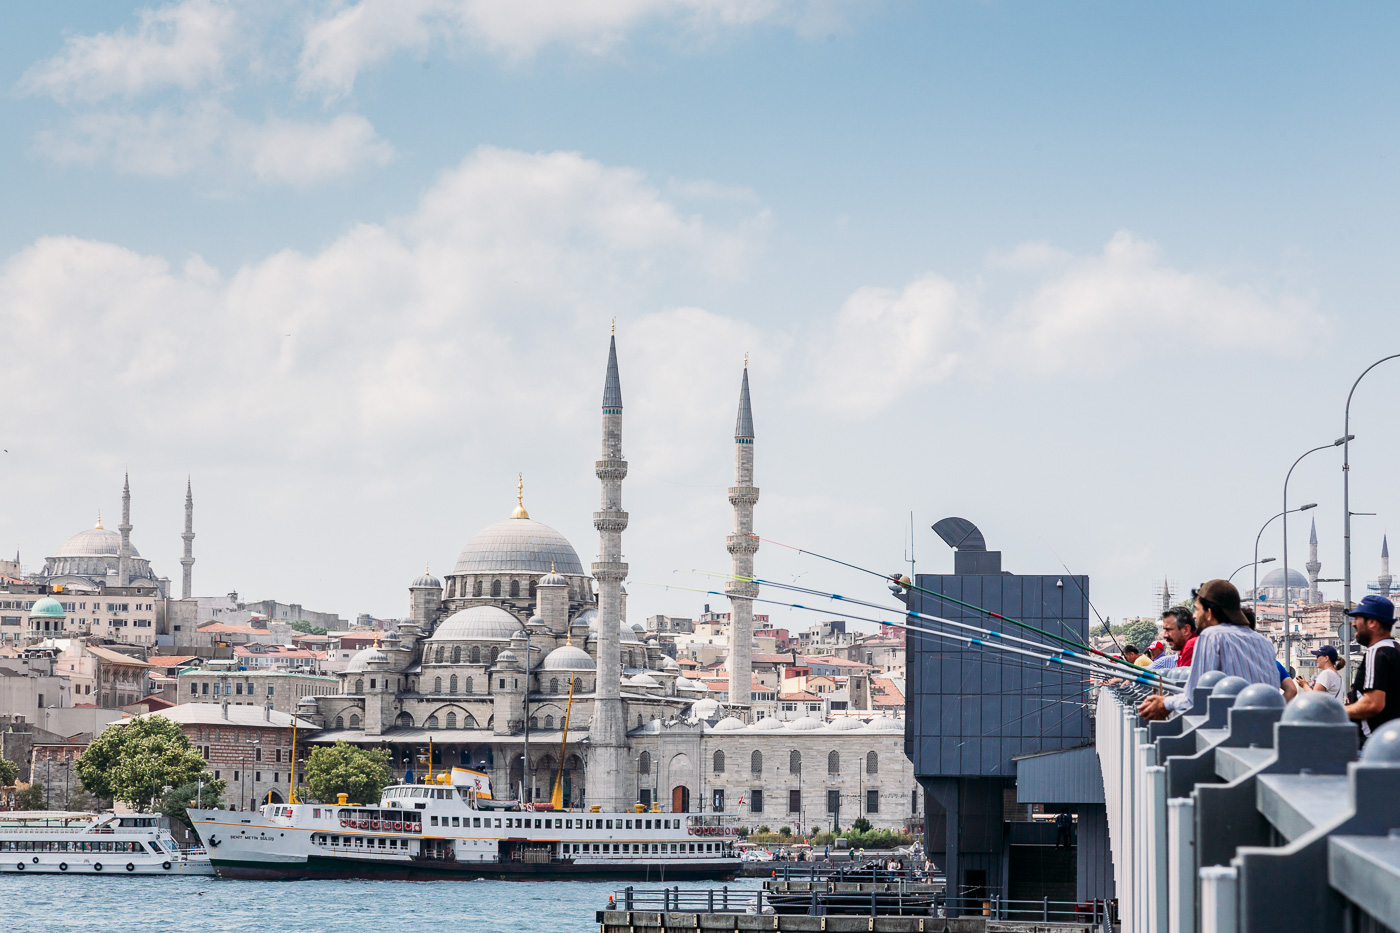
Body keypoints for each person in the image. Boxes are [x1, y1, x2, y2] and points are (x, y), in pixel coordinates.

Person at [1137, 579, 1281, 721]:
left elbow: (1194, 697)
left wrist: (1165, 703)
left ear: (1209, 613)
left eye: (1197, 610)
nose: (1194, 616)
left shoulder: (1212, 636)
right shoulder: (1264, 642)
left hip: (1235, 727)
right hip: (1269, 728)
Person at [1344, 594, 1400, 744]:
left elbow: (1373, 704)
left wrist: (1336, 713)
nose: (1353, 624)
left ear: (1372, 622)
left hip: (1373, 743)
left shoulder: (1377, 652)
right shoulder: (1395, 649)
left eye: (1357, 619)